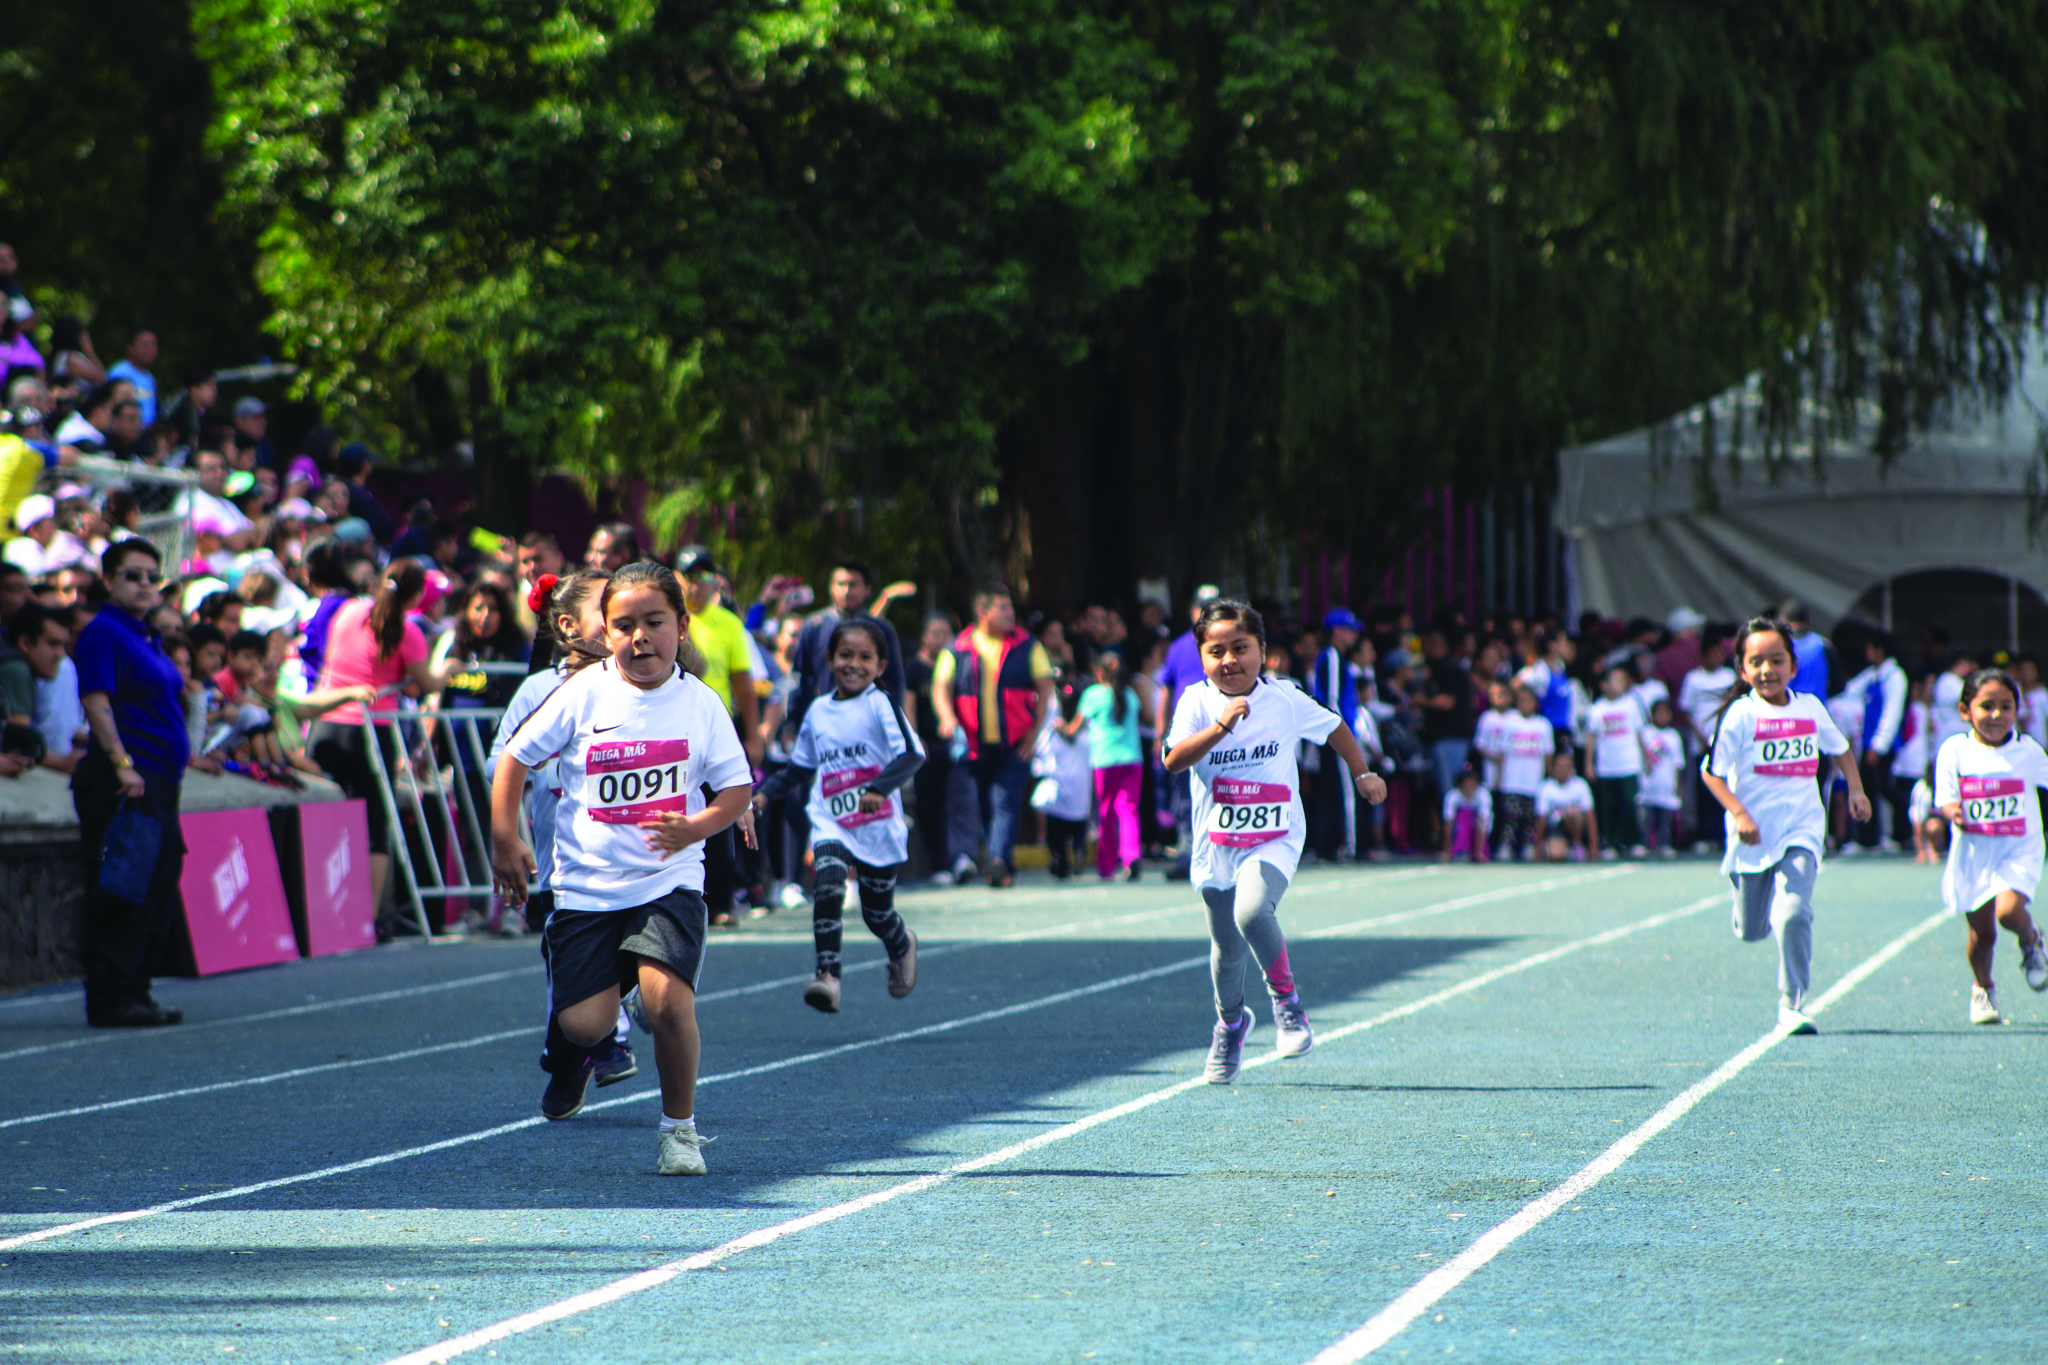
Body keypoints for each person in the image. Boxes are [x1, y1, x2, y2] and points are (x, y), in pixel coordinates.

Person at [491, 561, 754, 1176]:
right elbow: (514, 758)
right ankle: (627, 984)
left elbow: (736, 790)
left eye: (655, 623)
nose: (641, 638)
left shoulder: (701, 704)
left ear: (682, 628)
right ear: (604, 634)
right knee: (585, 1026)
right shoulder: (583, 694)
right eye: (625, 625)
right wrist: (506, 837)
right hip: (586, 888)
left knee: (669, 1009)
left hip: (670, 881)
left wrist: (697, 825)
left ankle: (679, 1131)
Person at [1162, 599, 1387, 1085]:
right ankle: (1231, 1023)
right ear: (1201, 658)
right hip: (1217, 842)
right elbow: (1173, 760)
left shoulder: (1284, 698)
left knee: (1251, 911)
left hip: (1275, 834)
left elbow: (1335, 728)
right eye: (1216, 651)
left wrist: (1362, 771)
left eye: (1240, 648)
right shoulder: (1196, 703)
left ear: (1262, 650)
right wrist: (1222, 725)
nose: (1229, 661)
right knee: (1226, 947)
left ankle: (1287, 1002)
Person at [486, 570, 639, 1092]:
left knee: (624, 948)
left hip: (629, 856)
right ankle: (573, 1059)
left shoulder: (639, 683)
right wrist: (511, 827)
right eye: (610, 610)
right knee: (568, 961)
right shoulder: (539, 690)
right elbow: (497, 762)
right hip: (559, 862)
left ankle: (606, 1041)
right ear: (570, 624)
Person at [1701, 617, 1870, 1035]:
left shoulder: (1810, 708)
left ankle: (1791, 1003)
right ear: (1742, 670)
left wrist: (1856, 791)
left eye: (1776, 660)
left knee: (1793, 911)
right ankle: (1748, 912)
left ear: (1793, 667)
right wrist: (1739, 813)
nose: (1767, 670)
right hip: (1753, 835)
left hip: (1803, 827)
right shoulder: (1740, 715)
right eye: (1756, 662)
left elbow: (1841, 749)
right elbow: (1712, 773)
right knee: (1752, 930)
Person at [754, 619, 924, 1013]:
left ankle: (901, 944)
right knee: (828, 886)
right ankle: (827, 975)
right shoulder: (817, 711)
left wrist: (879, 789)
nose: (854, 664)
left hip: (878, 825)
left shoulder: (880, 703)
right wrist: (764, 794)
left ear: (881, 666)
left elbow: (913, 754)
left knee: (876, 914)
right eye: (845, 655)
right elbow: (799, 769)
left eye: (866, 658)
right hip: (832, 820)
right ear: (829, 659)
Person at [71, 541, 189, 1027]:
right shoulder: (104, 632)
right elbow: (96, 699)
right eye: (131, 576)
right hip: (130, 781)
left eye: (151, 577)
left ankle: (136, 991)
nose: (144, 585)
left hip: (160, 780)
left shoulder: (145, 635)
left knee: (157, 886)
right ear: (108, 581)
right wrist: (121, 761)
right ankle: (111, 996)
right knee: (125, 888)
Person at [309, 560, 461, 924]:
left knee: (323, 821)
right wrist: (450, 669)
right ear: (418, 595)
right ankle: (369, 919)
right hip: (370, 733)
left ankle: (318, 919)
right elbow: (428, 684)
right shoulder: (408, 630)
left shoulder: (347, 610)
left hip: (325, 724)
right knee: (376, 827)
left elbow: (348, 661)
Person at [1932, 669, 2048, 1025]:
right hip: (1974, 853)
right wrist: (1955, 813)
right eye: (1987, 706)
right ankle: (1983, 989)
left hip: (2019, 848)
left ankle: (2030, 941)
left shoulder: (2028, 751)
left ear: (2017, 710)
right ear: (1966, 710)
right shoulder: (1955, 750)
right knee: (1981, 935)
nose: (1996, 715)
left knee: (2008, 912)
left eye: (2006, 706)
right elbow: (1946, 798)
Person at [932, 588, 1057, 887]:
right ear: (983, 613)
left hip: (1015, 743)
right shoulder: (958, 647)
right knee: (983, 805)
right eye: (1002, 608)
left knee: (1004, 801)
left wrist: (1033, 735)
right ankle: (1000, 861)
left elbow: (1046, 691)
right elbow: (941, 688)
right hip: (973, 746)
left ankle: (998, 860)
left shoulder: (1028, 646)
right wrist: (947, 719)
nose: (1009, 613)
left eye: (1010, 608)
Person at [674, 546, 761, 924]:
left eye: (703, 577)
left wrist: (754, 736)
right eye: (687, 576)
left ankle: (721, 901)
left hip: (714, 727)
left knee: (721, 811)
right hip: (672, 726)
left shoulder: (728, 623)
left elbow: (744, 684)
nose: (695, 585)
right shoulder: (666, 617)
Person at [1153, 585, 1222, 878]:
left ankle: (1220, 852)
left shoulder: (1231, 642)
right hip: (1187, 730)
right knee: (1184, 792)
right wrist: (1161, 731)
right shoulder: (1179, 646)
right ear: (1193, 611)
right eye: (1202, 607)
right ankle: (1188, 850)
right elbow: (1167, 690)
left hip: (1221, 728)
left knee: (1221, 788)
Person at [789, 558, 907, 725]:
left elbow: (893, 680)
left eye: (852, 585)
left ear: (866, 589)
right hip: (825, 720)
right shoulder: (814, 626)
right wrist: (792, 722)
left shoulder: (881, 629)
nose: (846, 591)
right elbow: (801, 677)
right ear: (831, 587)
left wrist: (891, 720)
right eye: (840, 584)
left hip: (869, 721)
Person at [1078, 651, 1145, 880]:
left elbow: (1075, 727)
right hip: (1132, 759)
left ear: (1099, 672)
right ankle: (1131, 856)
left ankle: (1106, 865)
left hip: (1104, 760)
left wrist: (1061, 728)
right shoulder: (1130, 695)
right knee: (1128, 810)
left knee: (1105, 812)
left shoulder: (1093, 694)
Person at [1306, 607, 1363, 861]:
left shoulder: (1335, 657)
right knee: (1347, 789)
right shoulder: (1332, 656)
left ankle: (1327, 845)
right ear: (1337, 632)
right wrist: (1342, 732)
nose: (1354, 636)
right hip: (1337, 734)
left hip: (1332, 733)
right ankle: (1351, 845)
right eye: (1350, 630)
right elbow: (1331, 697)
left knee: (1332, 789)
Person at [1843, 632, 1909, 850]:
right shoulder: (1873, 675)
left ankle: (1902, 833)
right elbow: (1850, 690)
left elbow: (1892, 712)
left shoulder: (1895, 676)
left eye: (1870, 647)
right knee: (1868, 789)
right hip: (1868, 742)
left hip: (1882, 746)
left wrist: (1879, 746)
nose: (1867, 652)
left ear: (1880, 649)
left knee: (1885, 788)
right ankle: (1868, 838)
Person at [1585, 666, 1648, 857]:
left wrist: (1646, 757)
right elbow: (1591, 739)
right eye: (1616, 681)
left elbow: (1639, 733)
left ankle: (1634, 841)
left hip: (1629, 763)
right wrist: (1589, 764)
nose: (1620, 685)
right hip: (1607, 765)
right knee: (1608, 806)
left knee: (1631, 803)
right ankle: (1612, 842)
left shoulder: (1631, 705)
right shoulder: (1597, 709)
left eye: (1622, 681)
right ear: (1604, 685)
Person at [1033, 681, 1094, 878]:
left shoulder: (1052, 732)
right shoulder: (1088, 731)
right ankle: (1078, 850)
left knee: (1056, 833)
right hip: (1081, 793)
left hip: (1059, 792)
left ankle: (1059, 860)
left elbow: (1040, 752)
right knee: (1078, 829)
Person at [1490, 685, 1554, 861]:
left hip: (1533, 780)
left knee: (1529, 817)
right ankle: (1506, 846)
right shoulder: (1510, 723)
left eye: (1528, 700)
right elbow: (1503, 751)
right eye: (1522, 700)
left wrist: (1549, 776)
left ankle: (1528, 846)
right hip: (1512, 780)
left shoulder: (1543, 725)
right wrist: (1499, 776)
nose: (1525, 704)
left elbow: (1548, 753)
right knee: (1509, 816)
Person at [1638, 698, 1685, 857]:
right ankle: (1645, 844)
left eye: (1665, 713)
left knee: (1665, 818)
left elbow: (1678, 763)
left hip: (1667, 783)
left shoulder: (1673, 736)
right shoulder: (1646, 733)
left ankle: (1665, 844)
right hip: (1649, 783)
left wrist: (1677, 785)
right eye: (1658, 713)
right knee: (1647, 818)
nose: (1662, 716)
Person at [1536, 749, 1597, 862]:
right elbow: (1541, 820)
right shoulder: (1546, 788)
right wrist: (1537, 849)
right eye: (1559, 766)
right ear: (1553, 769)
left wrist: (1593, 846)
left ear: (1572, 769)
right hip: (1557, 826)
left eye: (1566, 767)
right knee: (1555, 855)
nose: (1562, 770)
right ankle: (1561, 848)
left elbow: (1590, 817)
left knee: (1572, 813)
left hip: (1577, 824)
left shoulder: (1580, 786)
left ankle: (1577, 845)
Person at [336, 444, 396, 545]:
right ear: (365, 465)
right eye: (369, 461)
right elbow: (383, 529)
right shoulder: (359, 495)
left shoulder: (341, 487)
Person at [105, 328, 159, 426]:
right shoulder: (120, 373)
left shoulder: (150, 378)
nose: (149, 349)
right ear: (130, 347)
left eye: (153, 344)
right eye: (144, 344)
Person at [1440, 767, 1490, 862]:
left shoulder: (1483, 795)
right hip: (1461, 826)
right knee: (1463, 817)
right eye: (1466, 788)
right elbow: (1448, 824)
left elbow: (1483, 823)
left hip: (1478, 829)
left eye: (1472, 787)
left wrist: (1479, 851)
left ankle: (1477, 851)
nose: (1469, 791)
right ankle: (1460, 850)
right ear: (1459, 786)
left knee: (1478, 822)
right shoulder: (1452, 796)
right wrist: (1447, 851)